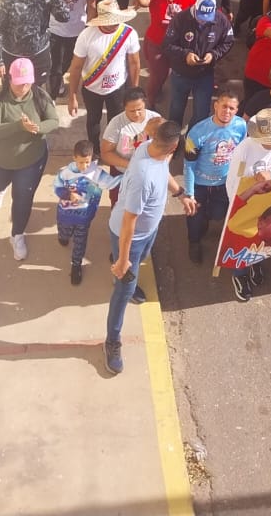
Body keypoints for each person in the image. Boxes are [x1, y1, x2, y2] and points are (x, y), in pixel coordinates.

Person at [105, 120, 195, 375]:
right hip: (129, 237)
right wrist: (123, 260)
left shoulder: (150, 148)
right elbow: (128, 222)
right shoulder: (143, 177)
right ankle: (112, 340)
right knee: (123, 290)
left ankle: (121, 263)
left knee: (143, 257)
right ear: (174, 146)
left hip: (148, 232)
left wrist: (181, 194)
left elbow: (165, 172)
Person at [0, 57, 59, 261]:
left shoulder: (40, 96)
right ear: (10, 80)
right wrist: (18, 125)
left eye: (27, 83)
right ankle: (0, 188)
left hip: (30, 161)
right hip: (0, 158)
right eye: (18, 83)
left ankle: (17, 234)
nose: (23, 87)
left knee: (23, 199)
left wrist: (37, 129)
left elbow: (54, 120)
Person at [224, 108, 271, 301]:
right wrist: (235, 207)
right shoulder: (245, 149)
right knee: (242, 242)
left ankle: (256, 262)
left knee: (262, 241)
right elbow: (233, 181)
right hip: (248, 206)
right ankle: (240, 275)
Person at [68, 0, 141, 156]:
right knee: (93, 121)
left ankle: (112, 150)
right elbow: (76, 67)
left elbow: (134, 63)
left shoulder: (128, 33)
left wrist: (134, 91)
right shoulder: (86, 36)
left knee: (116, 122)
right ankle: (95, 151)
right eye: (111, 21)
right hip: (91, 88)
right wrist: (72, 95)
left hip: (118, 88)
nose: (115, 24)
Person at [183, 89, 247, 263]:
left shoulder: (241, 126)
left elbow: (242, 154)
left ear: (237, 110)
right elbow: (189, 165)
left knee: (218, 214)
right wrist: (189, 194)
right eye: (224, 106)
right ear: (216, 105)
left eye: (232, 108)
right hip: (199, 185)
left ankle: (206, 217)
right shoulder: (197, 132)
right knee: (195, 218)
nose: (227, 111)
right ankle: (194, 242)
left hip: (225, 184)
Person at [0, 0, 70, 88]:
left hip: (39, 55)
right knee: (12, 90)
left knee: (37, 90)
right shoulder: (8, 0)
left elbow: (64, 17)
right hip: (13, 56)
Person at [164, 0, 234, 126]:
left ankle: (193, 141)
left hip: (204, 75)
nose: (203, 21)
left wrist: (214, 54)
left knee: (202, 113)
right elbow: (167, 45)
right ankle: (172, 142)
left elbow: (228, 42)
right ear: (195, 8)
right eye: (200, 16)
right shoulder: (180, 18)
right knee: (176, 110)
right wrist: (185, 55)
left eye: (207, 19)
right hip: (180, 74)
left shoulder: (221, 20)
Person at [54, 138, 114, 285]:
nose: (84, 166)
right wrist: (69, 194)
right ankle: (64, 236)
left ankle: (76, 265)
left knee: (80, 240)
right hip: (65, 214)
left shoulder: (97, 174)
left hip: (84, 217)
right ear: (74, 158)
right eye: (81, 162)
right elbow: (57, 188)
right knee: (65, 233)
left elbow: (112, 182)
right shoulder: (65, 173)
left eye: (87, 162)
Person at [136, 0, 195, 106]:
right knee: (157, 75)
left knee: (166, 73)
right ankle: (150, 101)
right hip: (156, 44)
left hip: (177, 46)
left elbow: (198, 15)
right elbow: (143, 1)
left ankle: (159, 89)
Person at [47, 0, 98, 98]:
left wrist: (89, 27)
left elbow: (91, 6)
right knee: (55, 63)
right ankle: (53, 93)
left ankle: (57, 78)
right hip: (54, 28)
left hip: (76, 30)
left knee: (67, 61)